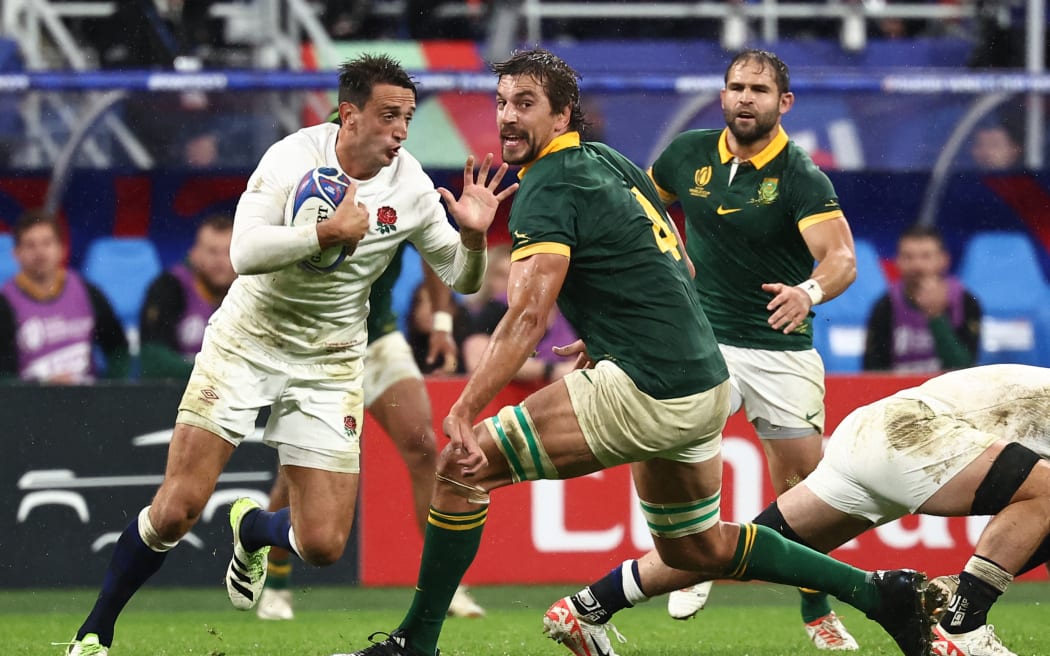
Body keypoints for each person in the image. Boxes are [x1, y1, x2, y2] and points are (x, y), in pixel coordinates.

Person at [338, 48, 930, 656]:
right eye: (501, 104)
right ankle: (881, 592)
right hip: (702, 378)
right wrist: (615, 326)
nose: (507, 118)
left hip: (649, 384)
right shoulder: (609, 160)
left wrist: (465, 406)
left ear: (563, 113)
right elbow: (676, 255)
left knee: (461, 467)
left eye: (525, 104)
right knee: (695, 549)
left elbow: (527, 316)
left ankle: (416, 643)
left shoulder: (548, 185)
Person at [62, 53, 516, 656]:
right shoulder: (291, 157)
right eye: (388, 117)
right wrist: (323, 234)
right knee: (176, 510)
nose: (401, 132)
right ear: (348, 116)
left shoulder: (408, 185)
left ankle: (253, 528)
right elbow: (244, 253)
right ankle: (95, 630)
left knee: (324, 545)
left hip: (329, 361)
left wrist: (475, 237)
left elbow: (461, 279)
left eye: (407, 118)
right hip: (246, 342)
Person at [557, 363, 1050, 656]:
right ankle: (961, 626)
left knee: (735, 546)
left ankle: (586, 607)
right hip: (912, 434)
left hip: (871, 432)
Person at [645, 48, 859, 648]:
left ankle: (815, 607)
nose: (745, 97)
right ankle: (695, 564)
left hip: (780, 348)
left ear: (783, 103)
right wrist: (658, 271)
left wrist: (808, 292)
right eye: (736, 86)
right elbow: (640, 213)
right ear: (722, 95)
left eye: (759, 90)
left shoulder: (800, 175)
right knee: (683, 459)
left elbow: (841, 259)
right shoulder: (687, 154)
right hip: (702, 339)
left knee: (806, 492)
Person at [255, 245, 485, 621]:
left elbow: (433, 247)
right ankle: (276, 582)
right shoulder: (314, 188)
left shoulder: (403, 188)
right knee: (300, 467)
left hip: (376, 338)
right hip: (315, 347)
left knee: (424, 447)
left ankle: (446, 587)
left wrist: (443, 324)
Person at [0, 210, 130, 383]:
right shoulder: (4, 304)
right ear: (16, 253)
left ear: (62, 249)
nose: (39, 252)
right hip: (30, 403)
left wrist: (111, 392)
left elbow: (118, 350)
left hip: (86, 401)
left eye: (47, 243)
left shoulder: (88, 292)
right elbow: (4, 376)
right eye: (30, 245)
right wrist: (42, 386)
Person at [863, 224, 981, 373]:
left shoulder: (966, 302)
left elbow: (966, 369)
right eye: (908, 257)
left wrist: (936, 317)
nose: (917, 265)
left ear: (944, 260)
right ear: (897, 261)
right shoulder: (885, 306)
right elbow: (873, 372)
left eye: (926, 256)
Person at [138, 214, 236, 380]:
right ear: (194, 254)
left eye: (228, 252)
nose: (220, 261)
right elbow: (152, 359)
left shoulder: (255, 292)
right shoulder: (168, 287)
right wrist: (214, 373)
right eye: (212, 251)